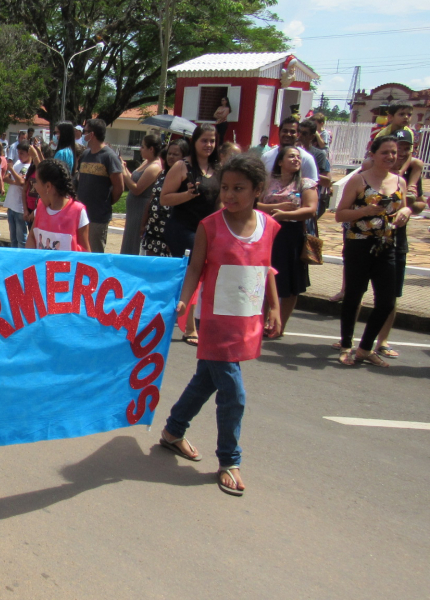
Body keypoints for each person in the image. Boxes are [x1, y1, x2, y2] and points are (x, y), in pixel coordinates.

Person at [159, 154, 281, 497]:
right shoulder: (210, 226)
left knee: (204, 382)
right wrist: (184, 302)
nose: (229, 195)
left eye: (238, 188)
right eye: (225, 187)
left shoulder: (268, 226)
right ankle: (230, 460)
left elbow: (266, 267)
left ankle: (172, 431)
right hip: (215, 323)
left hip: (246, 322)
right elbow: (195, 268)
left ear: (257, 189)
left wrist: (274, 307)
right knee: (233, 394)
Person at [334, 136, 405, 367]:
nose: (390, 157)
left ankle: (365, 348)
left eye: (393, 153)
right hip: (359, 245)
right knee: (354, 296)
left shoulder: (399, 182)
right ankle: (346, 345)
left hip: (386, 245)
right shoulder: (358, 180)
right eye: (385, 152)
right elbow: (340, 214)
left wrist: (405, 213)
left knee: (386, 301)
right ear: (372, 154)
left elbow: (402, 208)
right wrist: (364, 210)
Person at [160, 123, 220, 346]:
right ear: (194, 142)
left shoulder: (218, 168)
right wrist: (187, 194)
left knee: (204, 274)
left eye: (212, 140)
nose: (208, 145)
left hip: (208, 230)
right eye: (204, 140)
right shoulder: (182, 166)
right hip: (183, 228)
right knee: (193, 272)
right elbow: (165, 198)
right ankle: (190, 327)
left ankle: (184, 315)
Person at [372, 130, 425, 358]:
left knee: (390, 295)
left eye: (405, 149)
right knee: (356, 291)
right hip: (367, 238)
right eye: (395, 149)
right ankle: (347, 341)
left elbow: (421, 204)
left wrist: (408, 207)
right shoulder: (371, 171)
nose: (399, 154)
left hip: (396, 240)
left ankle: (382, 341)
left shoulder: (413, 174)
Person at [257, 145, 318, 336]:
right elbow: (253, 203)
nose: (296, 160)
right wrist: (275, 208)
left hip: (291, 235)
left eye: (298, 157)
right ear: (280, 161)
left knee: (291, 283)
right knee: (266, 277)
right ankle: (262, 321)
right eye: (291, 156)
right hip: (268, 232)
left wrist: (284, 215)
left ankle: (279, 325)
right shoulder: (267, 182)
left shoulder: (305, 183)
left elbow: (310, 209)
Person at [74, 118, 123, 253]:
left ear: (92, 134)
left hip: (97, 217)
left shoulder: (109, 157)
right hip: (80, 214)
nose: (83, 135)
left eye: (85, 131)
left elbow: (119, 188)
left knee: (94, 253)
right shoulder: (85, 154)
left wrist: (105, 203)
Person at [27, 159, 90, 252]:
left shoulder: (78, 211)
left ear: (48, 186)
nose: (34, 186)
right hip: (42, 266)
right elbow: (31, 237)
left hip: (68, 266)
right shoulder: (40, 207)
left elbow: (86, 252)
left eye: (36, 182)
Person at [141, 139, 189, 257]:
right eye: (169, 153)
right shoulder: (161, 174)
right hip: (153, 229)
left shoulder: (184, 179)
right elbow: (151, 199)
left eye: (175, 154)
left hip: (169, 231)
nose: (171, 157)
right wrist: (143, 224)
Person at [120, 135, 164, 255]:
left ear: (151, 149)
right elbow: (133, 179)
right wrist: (124, 168)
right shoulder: (146, 162)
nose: (140, 149)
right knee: (129, 239)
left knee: (135, 242)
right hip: (133, 209)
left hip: (141, 209)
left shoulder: (154, 167)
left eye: (143, 147)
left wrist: (123, 172)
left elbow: (137, 189)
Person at [2, 142, 32, 248]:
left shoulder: (29, 167)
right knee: (13, 238)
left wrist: (11, 170)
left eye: (22, 153)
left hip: (20, 207)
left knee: (21, 238)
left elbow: (22, 182)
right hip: (11, 205)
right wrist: (16, 182)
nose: (19, 156)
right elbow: (5, 178)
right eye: (18, 153)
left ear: (29, 154)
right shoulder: (18, 163)